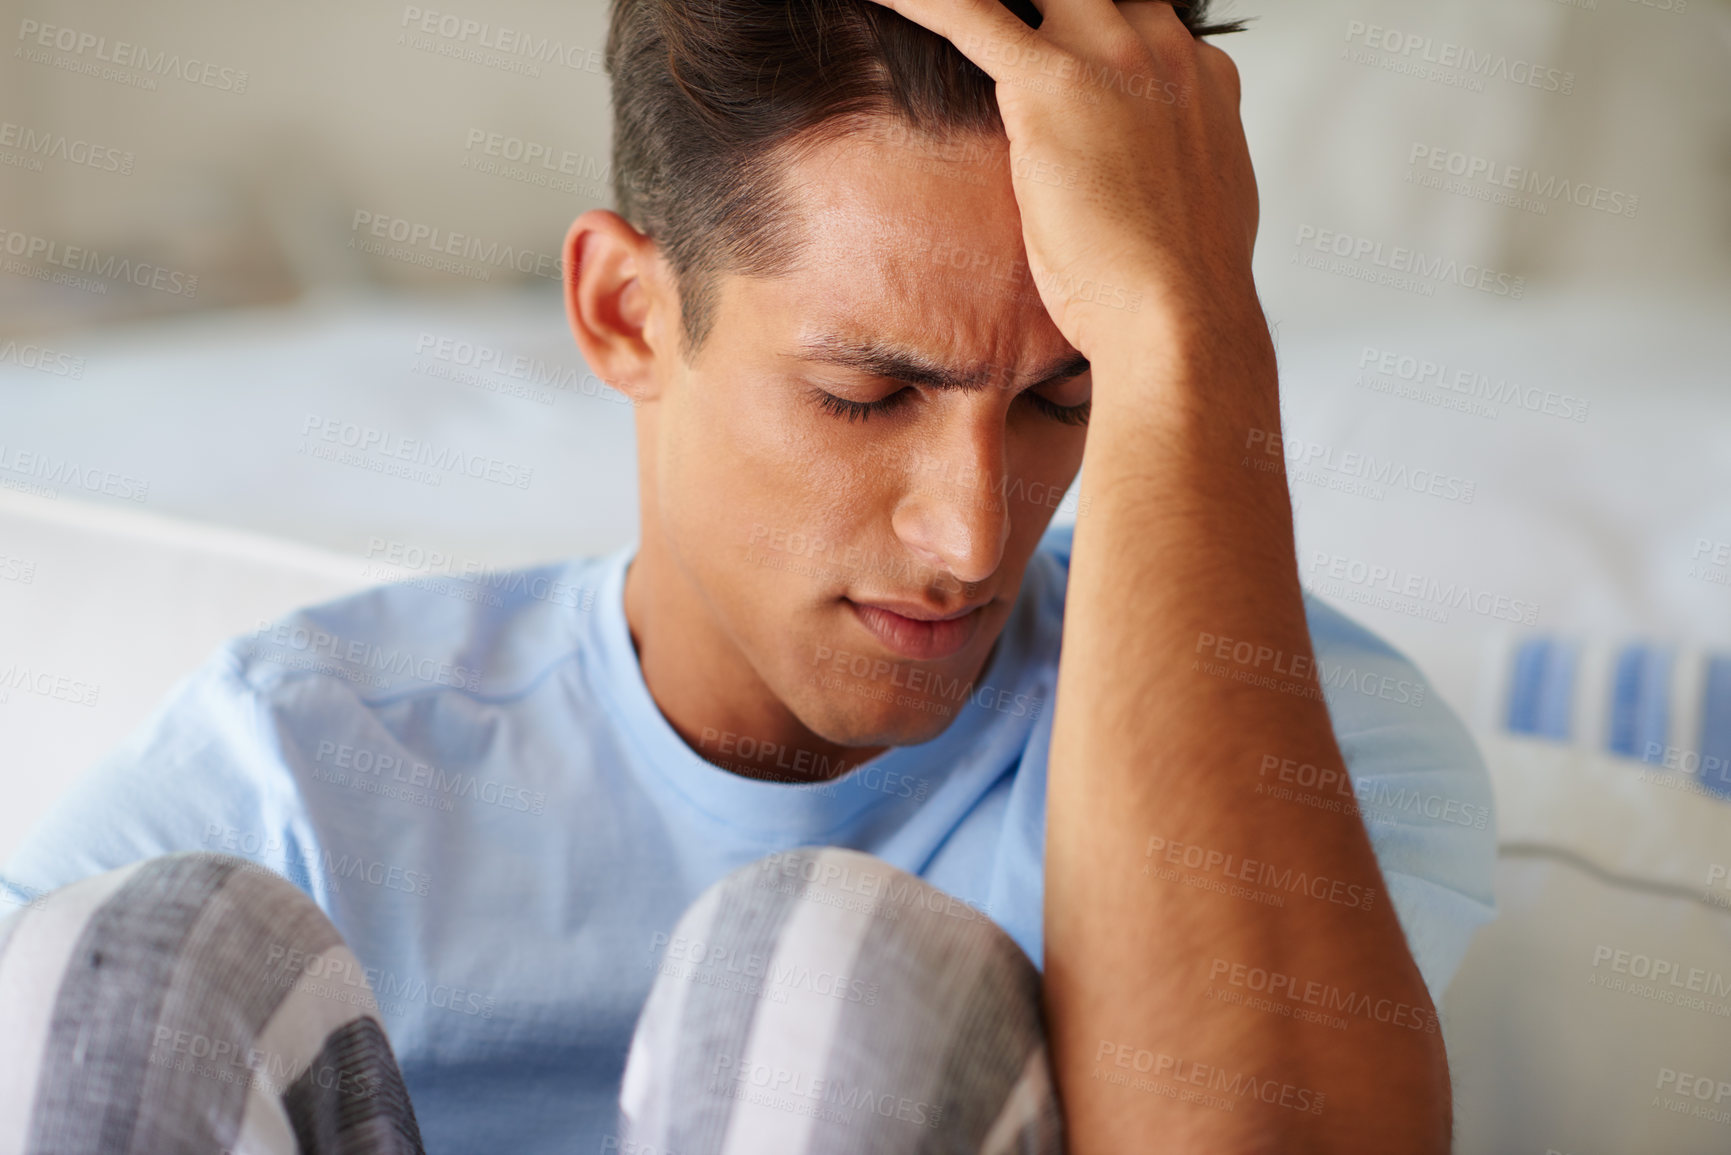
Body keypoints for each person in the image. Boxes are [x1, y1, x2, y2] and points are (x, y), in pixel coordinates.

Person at [0, 0, 1496, 1151]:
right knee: (132, 952)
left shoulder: (1319, 741)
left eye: (1065, 397)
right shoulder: (298, 768)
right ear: (624, 313)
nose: (972, 539)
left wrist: (1189, 336)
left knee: (826, 968)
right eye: (866, 396)